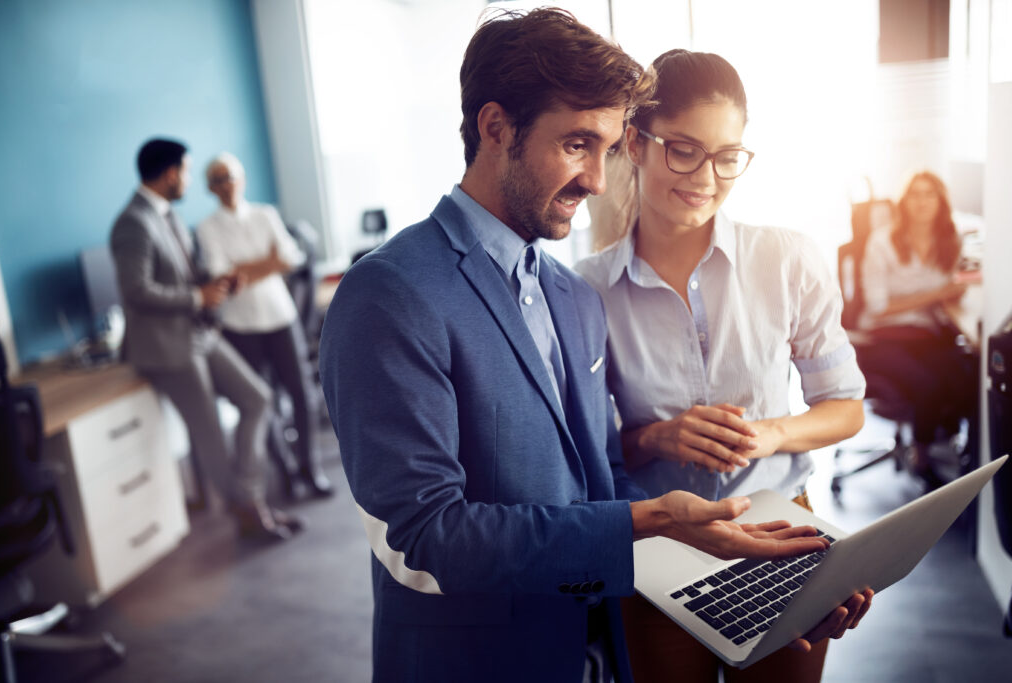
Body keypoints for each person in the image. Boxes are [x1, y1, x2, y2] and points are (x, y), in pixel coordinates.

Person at [320, 12, 860, 683]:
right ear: (495, 129)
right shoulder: (391, 293)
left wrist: (714, 532)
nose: (599, 182)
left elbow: (600, 476)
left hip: (599, 652)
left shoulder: (568, 296)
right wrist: (657, 515)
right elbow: (423, 542)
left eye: (605, 149)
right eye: (578, 144)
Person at [575, 49, 872, 683]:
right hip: (660, 548)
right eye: (683, 149)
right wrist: (657, 437)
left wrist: (772, 432)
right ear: (636, 142)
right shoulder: (584, 291)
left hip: (778, 533)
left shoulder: (788, 260)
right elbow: (583, 457)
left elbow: (846, 406)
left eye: (727, 156)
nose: (706, 177)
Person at [110, 138, 304, 542]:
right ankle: (252, 511)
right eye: (185, 171)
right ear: (169, 173)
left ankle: (249, 498)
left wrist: (212, 282)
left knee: (258, 398)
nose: (187, 180)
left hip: (199, 333)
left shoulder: (170, 217)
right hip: (168, 346)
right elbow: (136, 291)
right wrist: (197, 296)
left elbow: (184, 273)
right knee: (211, 435)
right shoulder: (133, 223)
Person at [195, 152, 333, 499]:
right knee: (262, 400)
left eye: (230, 176)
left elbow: (291, 258)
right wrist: (267, 263)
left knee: (302, 395)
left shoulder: (265, 214)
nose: (226, 184)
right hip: (240, 326)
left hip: (279, 318)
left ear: (241, 179)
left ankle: (309, 468)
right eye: (218, 179)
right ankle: (285, 471)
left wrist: (248, 269)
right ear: (210, 188)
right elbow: (221, 277)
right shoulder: (206, 228)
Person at [857, 170, 978, 483]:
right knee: (927, 383)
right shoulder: (882, 241)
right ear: (904, 201)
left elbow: (957, 283)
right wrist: (938, 294)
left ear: (941, 202)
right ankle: (921, 455)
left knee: (967, 373)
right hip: (883, 336)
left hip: (926, 333)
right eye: (915, 194)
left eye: (930, 194)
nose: (922, 202)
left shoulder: (950, 242)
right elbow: (878, 306)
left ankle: (965, 451)